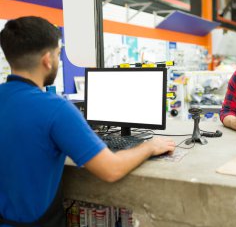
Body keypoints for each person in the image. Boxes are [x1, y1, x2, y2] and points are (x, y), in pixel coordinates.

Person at [0, 16, 175, 226]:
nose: (58, 60)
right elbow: (111, 169)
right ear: (47, 60)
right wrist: (148, 147)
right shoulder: (55, 108)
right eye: (58, 54)